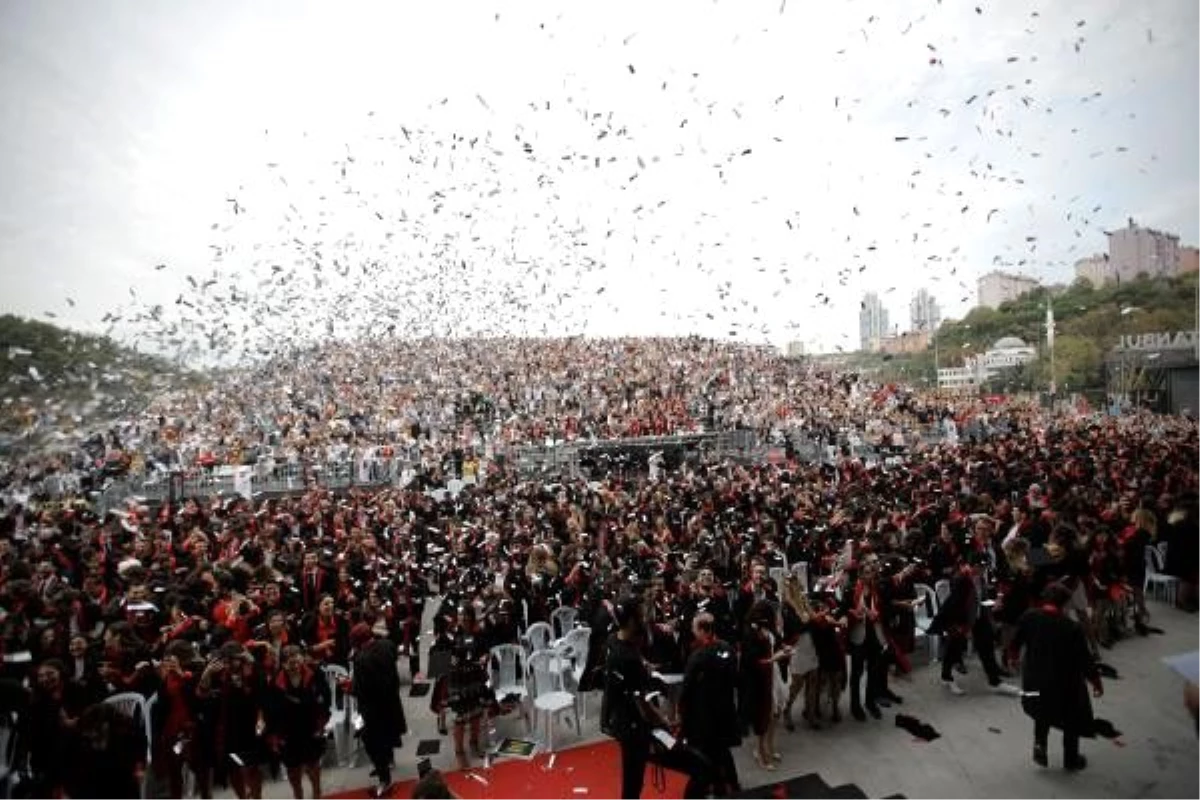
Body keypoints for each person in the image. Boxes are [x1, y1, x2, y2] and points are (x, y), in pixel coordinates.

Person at [601, 595, 711, 800]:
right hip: (639, 730)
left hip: (624, 725)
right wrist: (665, 722)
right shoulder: (628, 659)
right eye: (641, 615)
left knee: (632, 785)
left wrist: (646, 665)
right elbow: (643, 705)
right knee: (701, 767)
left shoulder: (613, 640)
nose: (644, 618)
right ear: (632, 620)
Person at [1007, 583, 1102, 772]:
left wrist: (1013, 658)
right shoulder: (1071, 627)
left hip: (1034, 678)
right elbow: (1084, 660)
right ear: (1064, 605)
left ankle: (1039, 746)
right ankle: (1071, 759)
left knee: (1041, 711)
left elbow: (1014, 643)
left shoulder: (1029, 617)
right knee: (1071, 718)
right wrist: (1096, 681)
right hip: (1064, 683)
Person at [679, 612, 741, 796]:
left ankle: (714, 785)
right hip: (725, 711)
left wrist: (682, 714)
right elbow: (735, 680)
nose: (692, 631)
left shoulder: (698, 656)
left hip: (704, 715)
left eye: (694, 628)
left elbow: (687, 688)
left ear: (703, 630)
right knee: (722, 749)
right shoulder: (728, 649)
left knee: (706, 754)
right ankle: (732, 782)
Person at [265, 644, 331, 800]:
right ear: (282, 663)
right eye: (288, 661)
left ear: (302, 659)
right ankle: (298, 795)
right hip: (287, 729)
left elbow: (325, 697)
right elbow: (271, 710)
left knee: (313, 763)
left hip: (311, 725)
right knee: (293, 768)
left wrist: (321, 723)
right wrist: (275, 735)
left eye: (296, 659)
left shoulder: (314, 674)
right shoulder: (275, 681)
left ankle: (317, 793)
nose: (293, 664)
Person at [350, 623, 407, 798]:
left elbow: (361, 688)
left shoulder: (361, 659)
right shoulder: (387, 645)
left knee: (372, 741)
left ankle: (385, 779)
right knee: (389, 733)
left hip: (373, 708)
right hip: (391, 700)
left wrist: (349, 688)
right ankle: (389, 762)